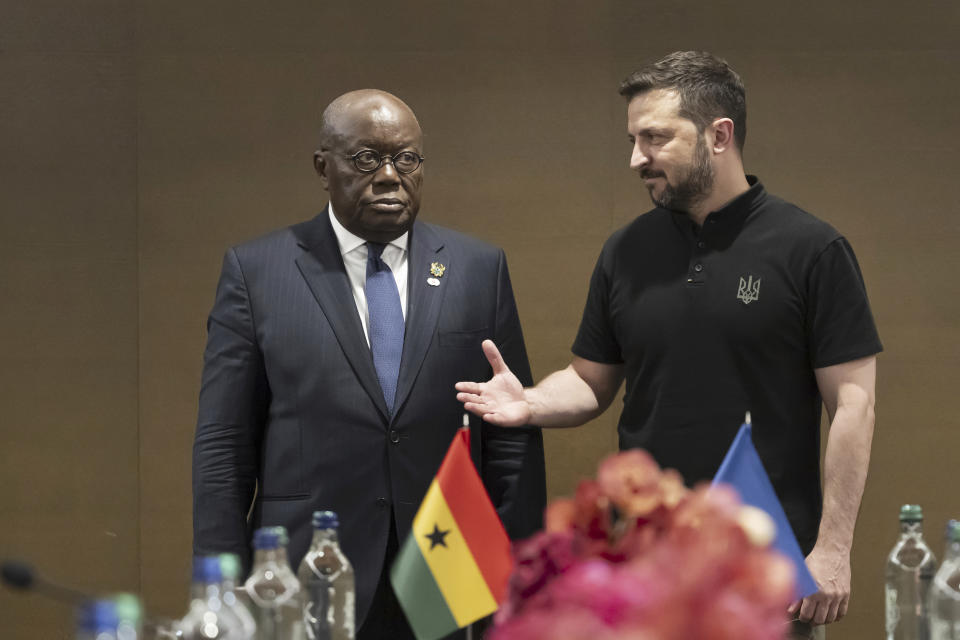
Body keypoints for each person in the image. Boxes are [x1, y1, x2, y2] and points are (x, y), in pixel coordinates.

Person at [456, 51, 880, 639]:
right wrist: (530, 403)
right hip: (638, 562)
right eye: (633, 139)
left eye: (654, 138)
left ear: (719, 135)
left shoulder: (812, 250)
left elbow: (854, 405)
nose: (636, 158)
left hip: (766, 564)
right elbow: (590, 381)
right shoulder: (624, 251)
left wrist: (833, 548)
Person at [193, 89, 546, 639]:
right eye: (365, 159)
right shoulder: (258, 272)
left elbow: (512, 432)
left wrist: (523, 573)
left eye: (406, 159)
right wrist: (222, 587)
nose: (388, 175)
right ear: (322, 167)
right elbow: (223, 443)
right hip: (306, 570)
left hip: (448, 567)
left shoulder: (479, 268)